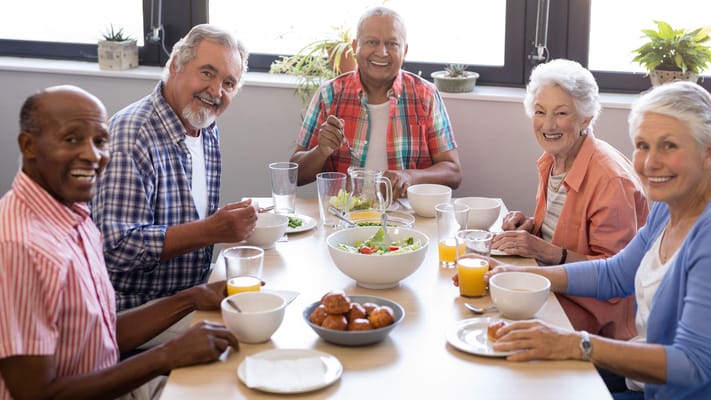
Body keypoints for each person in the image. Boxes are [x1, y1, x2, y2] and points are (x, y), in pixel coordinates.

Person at [485, 81, 711, 400]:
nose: (649, 162)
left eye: (669, 146)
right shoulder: (670, 210)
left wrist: (575, 344)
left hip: (674, 392)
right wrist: (521, 276)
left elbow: (694, 363)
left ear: (708, 152)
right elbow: (614, 274)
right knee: (516, 373)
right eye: (643, 145)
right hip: (643, 382)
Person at [0, 85, 239, 400]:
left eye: (100, 141)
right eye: (72, 139)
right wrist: (166, 356)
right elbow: (36, 394)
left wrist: (191, 298)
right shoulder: (20, 245)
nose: (92, 155)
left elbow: (98, 337)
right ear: (28, 145)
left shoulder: (73, 213)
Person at [92, 24, 257, 312]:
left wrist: (223, 226)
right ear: (175, 65)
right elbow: (116, 249)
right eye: (207, 73)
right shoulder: (133, 134)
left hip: (188, 294)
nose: (216, 91)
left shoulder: (205, 128)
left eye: (229, 83)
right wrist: (210, 230)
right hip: (136, 311)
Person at [490, 59, 648, 340]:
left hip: (596, 321)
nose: (548, 125)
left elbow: (615, 276)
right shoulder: (554, 160)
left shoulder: (610, 180)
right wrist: (530, 229)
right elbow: (562, 233)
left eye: (561, 113)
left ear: (585, 118)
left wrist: (544, 251)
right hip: (555, 292)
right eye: (540, 112)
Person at [289, 6, 463, 199]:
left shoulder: (425, 95)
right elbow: (296, 175)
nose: (382, 52)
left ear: (404, 50)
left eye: (392, 44)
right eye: (372, 42)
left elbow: (453, 173)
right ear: (355, 46)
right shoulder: (329, 94)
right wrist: (321, 151)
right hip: (344, 217)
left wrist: (410, 176)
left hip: (406, 219)